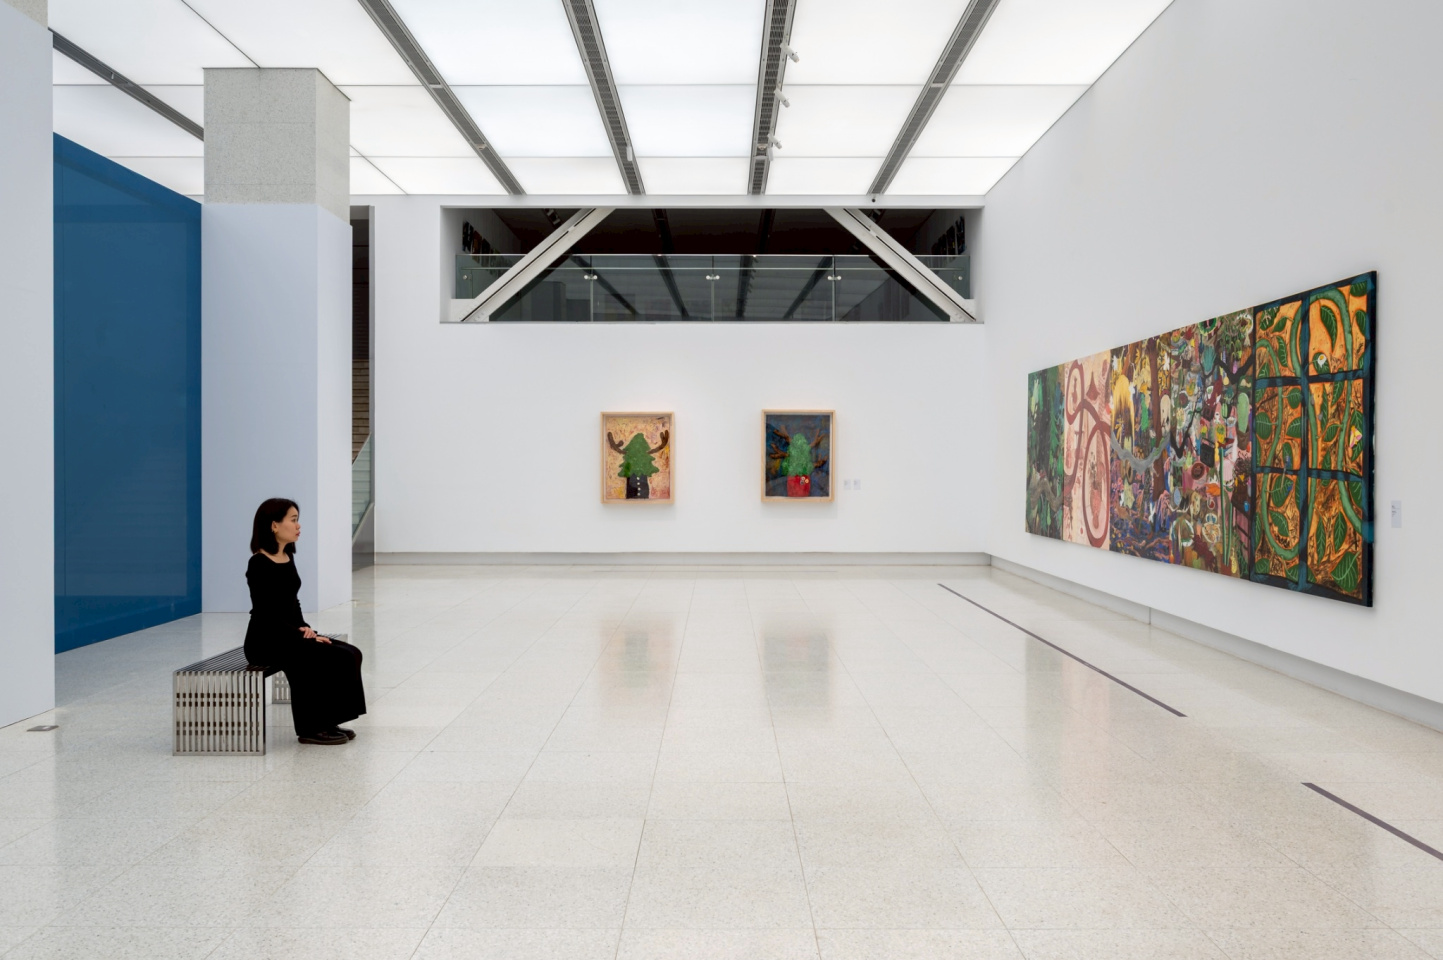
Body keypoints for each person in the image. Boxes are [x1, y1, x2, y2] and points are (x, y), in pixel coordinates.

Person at [243, 498, 366, 746]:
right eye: (293, 520)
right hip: (265, 640)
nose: (298, 526)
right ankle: (310, 728)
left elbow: (292, 602)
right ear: (274, 525)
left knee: (350, 653)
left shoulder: (286, 556)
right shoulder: (259, 563)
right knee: (311, 657)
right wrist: (300, 636)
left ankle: (329, 720)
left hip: (288, 634)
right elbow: (266, 614)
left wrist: (306, 628)